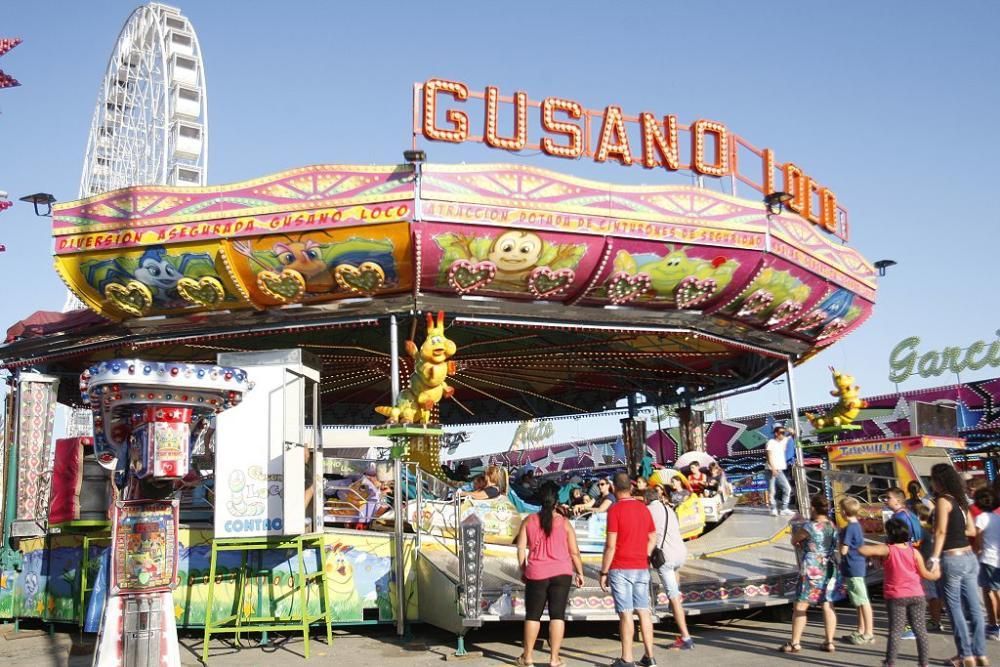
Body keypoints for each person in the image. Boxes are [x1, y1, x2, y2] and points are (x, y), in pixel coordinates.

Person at [515, 481, 585, 667]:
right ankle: (554, 658)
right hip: (562, 572)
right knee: (557, 615)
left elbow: (521, 549)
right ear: (556, 502)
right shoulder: (564, 522)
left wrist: (524, 569)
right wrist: (580, 572)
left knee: (532, 615)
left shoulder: (529, 520)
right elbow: (574, 552)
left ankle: (527, 657)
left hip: (536, 572)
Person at [928, 462, 987, 667]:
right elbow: (971, 531)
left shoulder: (943, 501)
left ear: (938, 481)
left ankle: (965, 655)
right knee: (975, 608)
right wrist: (956, 531)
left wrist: (934, 559)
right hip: (969, 557)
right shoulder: (962, 502)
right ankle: (980, 653)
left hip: (951, 557)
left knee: (954, 608)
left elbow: (940, 532)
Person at [859, 517, 939, 667]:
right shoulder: (914, 552)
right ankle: (924, 663)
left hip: (896, 596)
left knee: (895, 631)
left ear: (890, 534)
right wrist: (936, 573)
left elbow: (864, 550)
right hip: (917, 595)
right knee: (920, 630)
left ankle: (890, 662)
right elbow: (925, 574)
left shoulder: (888, 549)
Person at [600, 472, 657, 667]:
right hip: (641, 566)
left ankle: (627, 658)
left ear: (614, 488)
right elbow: (652, 537)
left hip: (620, 567)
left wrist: (604, 571)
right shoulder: (643, 508)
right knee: (643, 611)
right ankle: (650, 656)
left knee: (626, 613)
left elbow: (611, 545)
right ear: (631, 488)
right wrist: (645, 555)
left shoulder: (614, 511)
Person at [779, 493, 838, 654]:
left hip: (812, 566)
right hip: (829, 564)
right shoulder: (831, 525)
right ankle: (829, 641)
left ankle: (795, 642)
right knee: (827, 603)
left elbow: (794, 540)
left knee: (801, 604)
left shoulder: (809, 527)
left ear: (813, 508)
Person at [645, 488, 694, 651]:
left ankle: (686, 638)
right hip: (680, 553)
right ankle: (675, 604)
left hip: (665, 557)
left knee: (673, 597)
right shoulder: (669, 509)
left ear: (646, 499)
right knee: (675, 585)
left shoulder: (648, 511)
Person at [838, 497, 874, 645]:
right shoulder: (857, 526)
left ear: (844, 512)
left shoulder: (849, 528)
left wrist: (838, 548)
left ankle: (868, 632)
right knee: (858, 600)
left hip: (852, 566)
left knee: (862, 600)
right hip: (857, 565)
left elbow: (844, 550)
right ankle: (861, 629)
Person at [973, 488, 1000, 641]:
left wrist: (974, 552)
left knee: (989, 592)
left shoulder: (981, 518)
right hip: (997, 558)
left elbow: (978, 539)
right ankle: (994, 624)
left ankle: (994, 625)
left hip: (987, 558)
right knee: (996, 590)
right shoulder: (997, 517)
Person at [915, 502, 944, 632]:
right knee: (938, 594)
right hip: (938, 562)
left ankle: (935, 621)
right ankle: (936, 619)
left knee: (932, 595)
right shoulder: (938, 532)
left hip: (929, 564)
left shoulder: (923, 531)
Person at [765, 426, 794, 516]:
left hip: (779, 470)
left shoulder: (783, 440)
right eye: (781, 432)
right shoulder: (771, 442)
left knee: (787, 488)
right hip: (770, 469)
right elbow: (768, 456)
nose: (783, 434)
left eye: (783, 433)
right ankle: (773, 508)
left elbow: (793, 433)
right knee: (772, 490)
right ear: (776, 433)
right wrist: (773, 468)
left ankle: (784, 508)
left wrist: (791, 431)